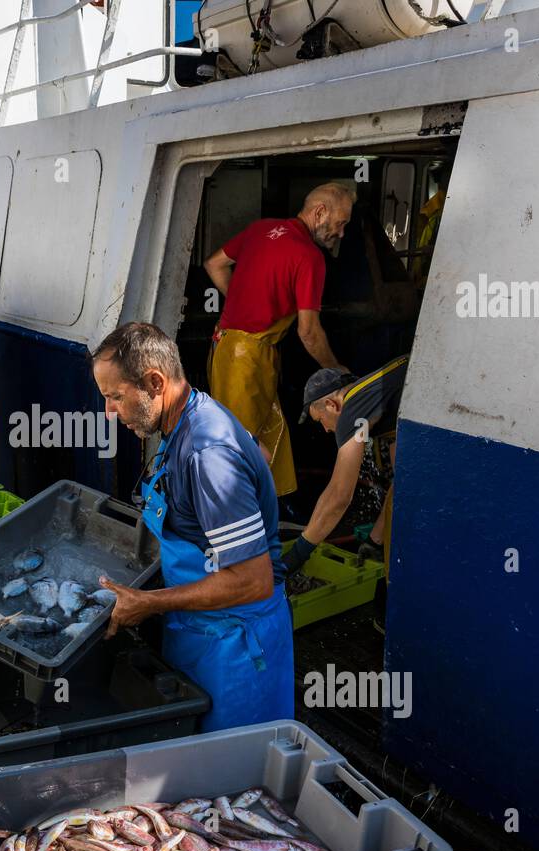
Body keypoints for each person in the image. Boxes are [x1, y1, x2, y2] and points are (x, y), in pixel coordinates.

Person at [92, 322, 293, 732]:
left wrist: (149, 603)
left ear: (154, 382)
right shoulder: (180, 420)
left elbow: (254, 581)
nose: (109, 413)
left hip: (235, 646)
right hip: (197, 630)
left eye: (115, 397)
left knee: (233, 779)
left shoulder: (208, 455)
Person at [203, 182, 355, 497]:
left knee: (267, 437)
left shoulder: (261, 229)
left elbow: (214, 264)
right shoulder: (310, 257)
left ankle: (264, 515)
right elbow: (309, 332)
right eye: (340, 223)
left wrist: (242, 303)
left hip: (227, 348)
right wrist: (338, 372)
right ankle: (232, 530)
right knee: (239, 454)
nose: (341, 233)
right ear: (320, 212)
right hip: (245, 361)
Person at [282, 355, 409, 581]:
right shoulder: (375, 397)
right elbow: (403, 481)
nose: (325, 430)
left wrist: (298, 554)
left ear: (332, 405)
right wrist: (375, 540)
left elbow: (339, 495)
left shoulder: (352, 412)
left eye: (320, 419)